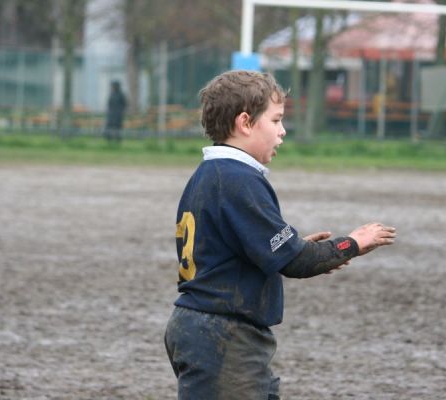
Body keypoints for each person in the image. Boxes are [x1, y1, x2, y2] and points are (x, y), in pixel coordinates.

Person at [164, 70, 396, 400]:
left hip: (206, 328)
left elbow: (267, 249)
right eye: (276, 120)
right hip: (223, 336)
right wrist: (352, 244)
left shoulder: (210, 174)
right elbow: (295, 261)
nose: (283, 132)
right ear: (245, 122)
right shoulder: (238, 181)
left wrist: (297, 248)